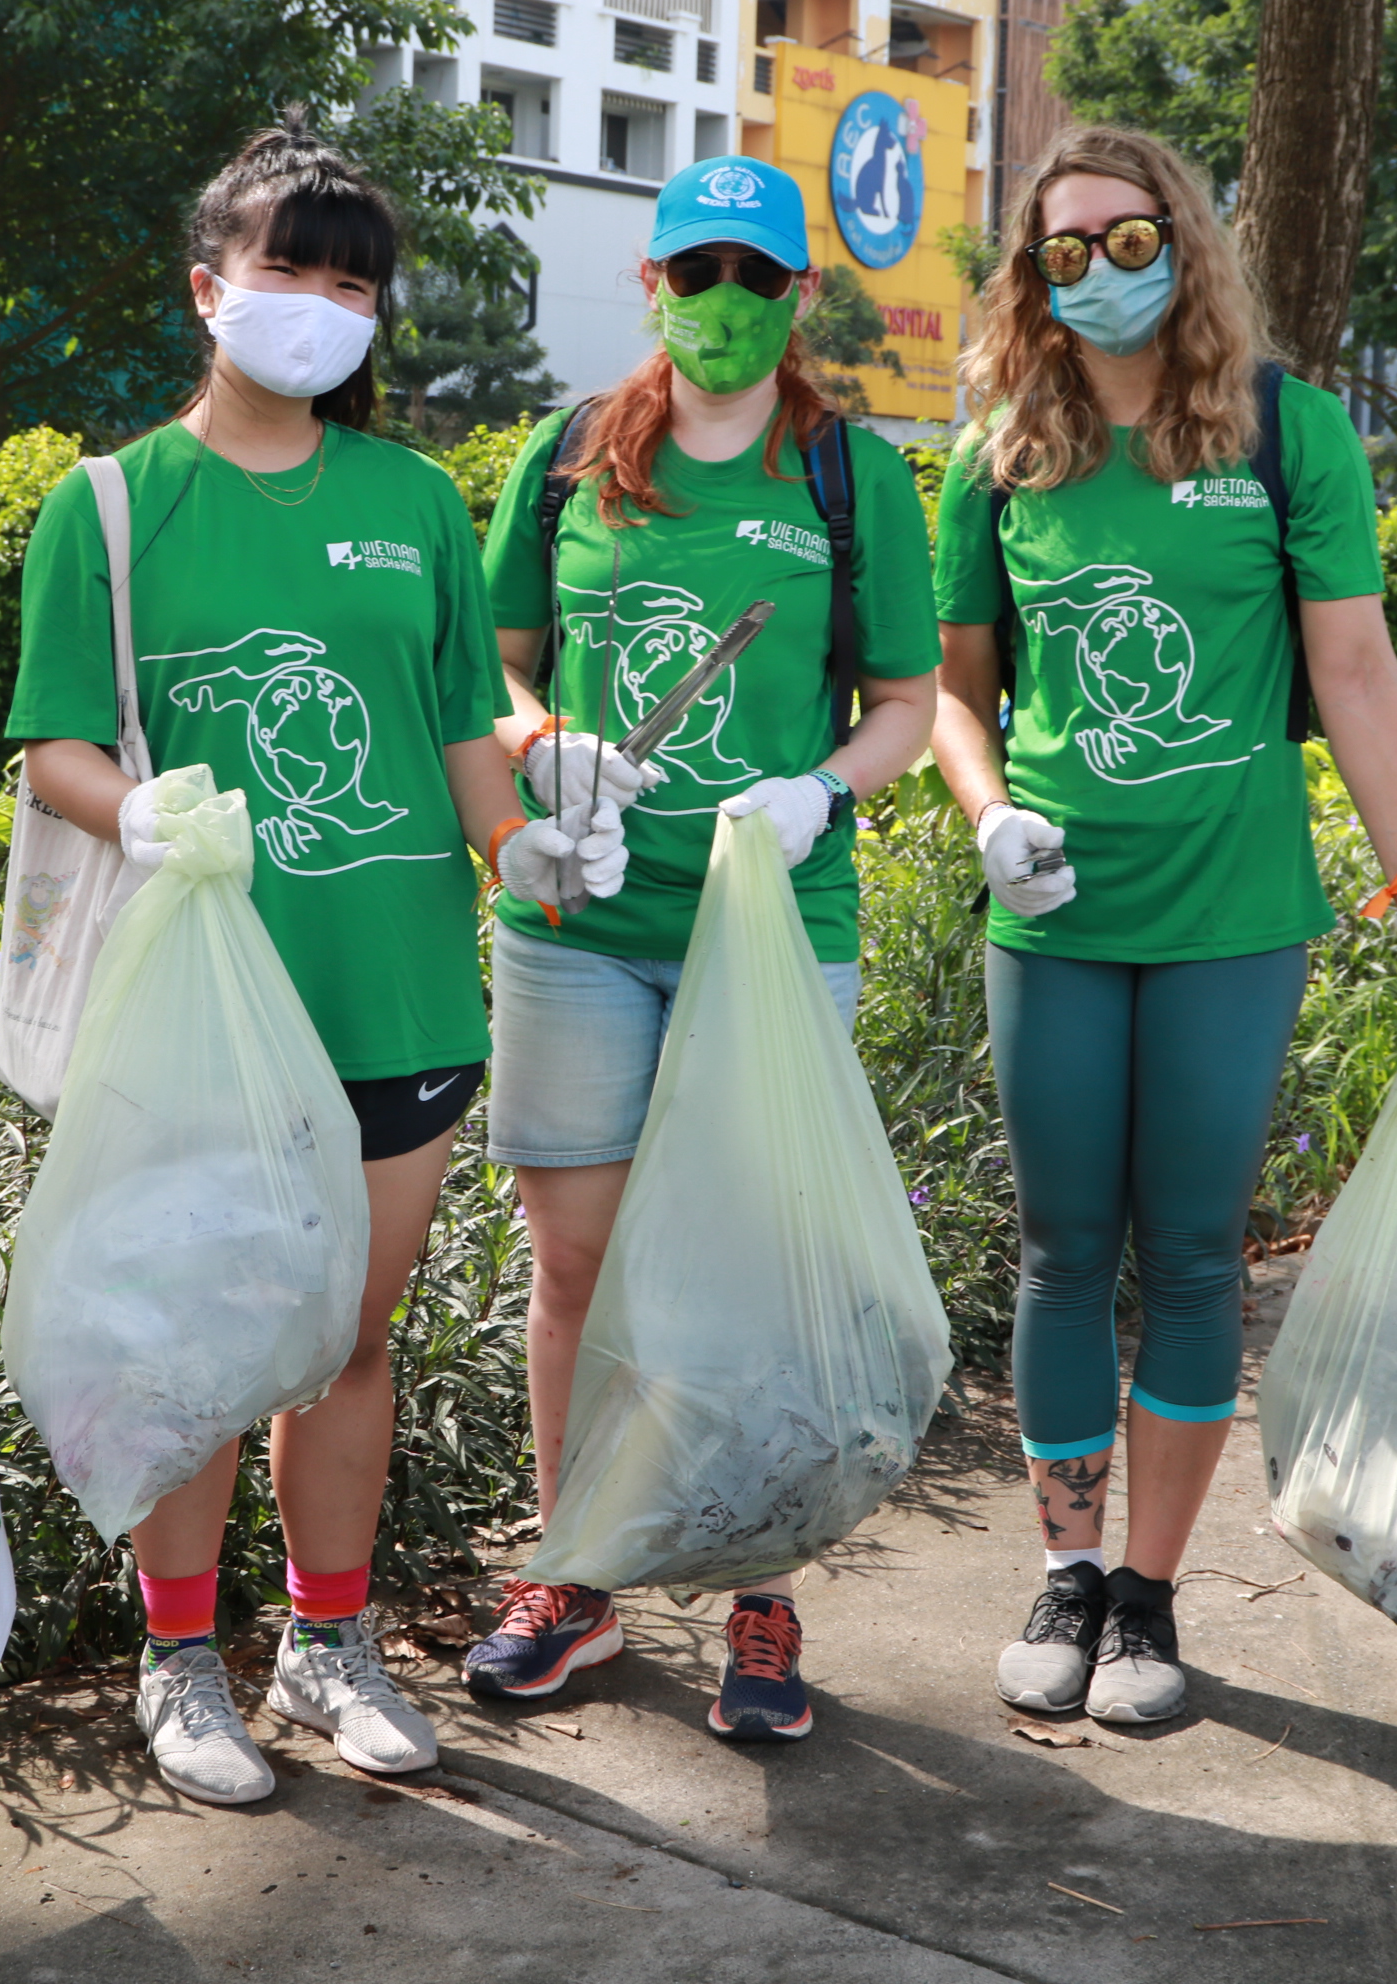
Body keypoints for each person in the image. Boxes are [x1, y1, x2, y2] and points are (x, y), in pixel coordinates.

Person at [9, 122, 613, 1808]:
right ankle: (180, 1658)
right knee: (202, 1334)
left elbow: (455, 731)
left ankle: (330, 1643)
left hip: (394, 987)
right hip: (205, 1010)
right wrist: (137, 815)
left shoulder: (415, 501)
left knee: (353, 1334)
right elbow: (54, 742)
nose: (322, 305)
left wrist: (525, 848)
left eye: (354, 282)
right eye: (291, 268)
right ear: (211, 288)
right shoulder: (114, 506)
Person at [930, 124, 1397, 1726]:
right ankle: (1062, 1568)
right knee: (1059, 1253)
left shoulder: (1285, 434)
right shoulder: (1002, 455)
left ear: (1185, 242)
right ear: (1030, 277)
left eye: (1130, 239)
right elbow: (946, 701)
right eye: (1065, 250)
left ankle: (1147, 1601)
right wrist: (989, 816)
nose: (1100, 270)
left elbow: (1356, 673)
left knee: (1188, 1253)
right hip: (1053, 914)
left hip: (1232, 917)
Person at [460, 155, 939, 1742]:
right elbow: (497, 671)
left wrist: (819, 792)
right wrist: (547, 758)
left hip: (772, 936)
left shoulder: (848, 476)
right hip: (579, 921)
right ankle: (578, 1566)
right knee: (578, 1265)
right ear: (649, 285)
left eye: (755, 275)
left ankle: (759, 1586)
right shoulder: (568, 457)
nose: (722, 301)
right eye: (694, 271)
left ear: (800, 296)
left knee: (753, 1277)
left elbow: (907, 707)